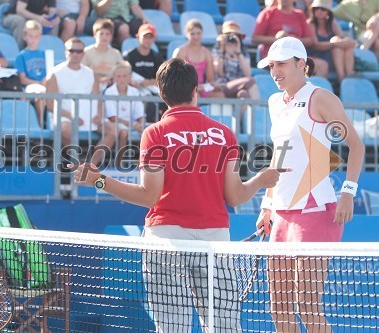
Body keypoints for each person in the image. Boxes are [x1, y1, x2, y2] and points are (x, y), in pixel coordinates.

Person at [69, 58, 285, 332]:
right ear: (196, 90)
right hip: (214, 240)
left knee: (172, 328)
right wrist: (259, 180)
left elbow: (149, 196)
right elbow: (235, 196)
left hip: (166, 239)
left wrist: (100, 181)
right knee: (224, 327)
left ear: (161, 94)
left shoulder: (155, 133)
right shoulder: (224, 134)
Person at [255, 36, 365, 333]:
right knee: (278, 307)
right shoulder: (274, 102)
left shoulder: (322, 98)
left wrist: (348, 192)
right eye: (271, 66)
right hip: (281, 213)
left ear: (301, 64)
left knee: (307, 305)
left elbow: (356, 147)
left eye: (281, 65)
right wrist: (267, 205)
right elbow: (279, 157)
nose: (275, 71)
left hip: (317, 211)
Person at [45, 37, 116, 166]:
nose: (75, 54)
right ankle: (77, 165)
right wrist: (71, 117)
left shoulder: (90, 73)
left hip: (89, 116)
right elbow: (50, 105)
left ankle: (89, 166)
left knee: (112, 131)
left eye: (79, 51)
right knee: (65, 130)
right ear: (66, 52)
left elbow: (97, 97)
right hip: (64, 116)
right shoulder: (55, 73)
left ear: (83, 53)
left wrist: (99, 114)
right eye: (72, 51)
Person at [252, 0, 315, 70]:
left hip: (296, 59)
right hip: (274, 58)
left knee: (322, 65)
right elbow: (255, 38)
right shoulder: (267, 13)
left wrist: (294, 40)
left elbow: (309, 40)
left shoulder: (300, 15)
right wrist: (276, 40)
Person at [104, 61, 145, 166]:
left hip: (131, 123)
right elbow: (112, 117)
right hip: (114, 123)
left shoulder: (135, 92)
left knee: (148, 131)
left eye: (124, 76)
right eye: (118, 76)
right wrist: (134, 124)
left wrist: (141, 124)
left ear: (129, 77)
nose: (121, 79)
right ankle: (119, 163)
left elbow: (140, 114)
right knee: (123, 132)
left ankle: (143, 162)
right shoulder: (109, 92)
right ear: (113, 78)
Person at [307, 0, 357, 83]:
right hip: (318, 58)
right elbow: (316, 45)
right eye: (316, 8)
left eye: (323, 9)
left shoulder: (332, 23)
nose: (319, 11)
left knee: (341, 45)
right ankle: (343, 79)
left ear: (328, 12)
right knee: (336, 44)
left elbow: (342, 39)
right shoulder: (310, 23)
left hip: (333, 59)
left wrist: (340, 43)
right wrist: (334, 44)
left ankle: (347, 77)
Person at [173, 19, 225, 98]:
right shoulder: (180, 51)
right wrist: (193, 86)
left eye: (198, 33)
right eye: (192, 34)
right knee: (195, 96)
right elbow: (176, 76)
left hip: (201, 88)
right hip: (185, 87)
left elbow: (210, 79)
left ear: (202, 33)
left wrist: (212, 85)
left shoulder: (207, 53)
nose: (196, 37)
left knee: (220, 95)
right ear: (187, 34)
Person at [123, 23, 164, 123]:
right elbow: (123, 74)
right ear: (138, 37)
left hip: (151, 89)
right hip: (133, 89)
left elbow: (163, 78)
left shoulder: (156, 56)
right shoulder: (129, 56)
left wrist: (148, 82)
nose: (148, 40)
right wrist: (131, 82)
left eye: (150, 37)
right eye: (145, 37)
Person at [214, 21, 260, 102]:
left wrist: (238, 52)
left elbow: (247, 73)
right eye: (228, 34)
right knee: (251, 81)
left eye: (235, 35)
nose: (231, 37)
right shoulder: (217, 50)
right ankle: (258, 107)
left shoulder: (243, 52)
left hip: (239, 86)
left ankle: (250, 114)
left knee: (243, 94)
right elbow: (219, 72)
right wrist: (222, 50)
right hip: (223, 86)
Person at [15, 19, 48, 125]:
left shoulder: (45, 54)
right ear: (24, 36)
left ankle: (52, 125)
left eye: (36, 36)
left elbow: (49, 74)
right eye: (30, 35)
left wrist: (45, 82)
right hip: (30, 86)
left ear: (40, 37)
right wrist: (38, 83)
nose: (33, 39)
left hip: (44, 85)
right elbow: (22, 79)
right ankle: (40, 126)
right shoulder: (21, 55)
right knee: (40, 94)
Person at [82, 18, 124, 91]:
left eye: (107, 34)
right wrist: (98, 80)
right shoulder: (86, 52)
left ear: (111, 36)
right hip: (90, 85)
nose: (104, 37)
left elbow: (121, 71)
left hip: (111, 86)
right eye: (101, 34)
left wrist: (111, 80)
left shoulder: (116, 54)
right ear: (95, 35)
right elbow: (82, 71)